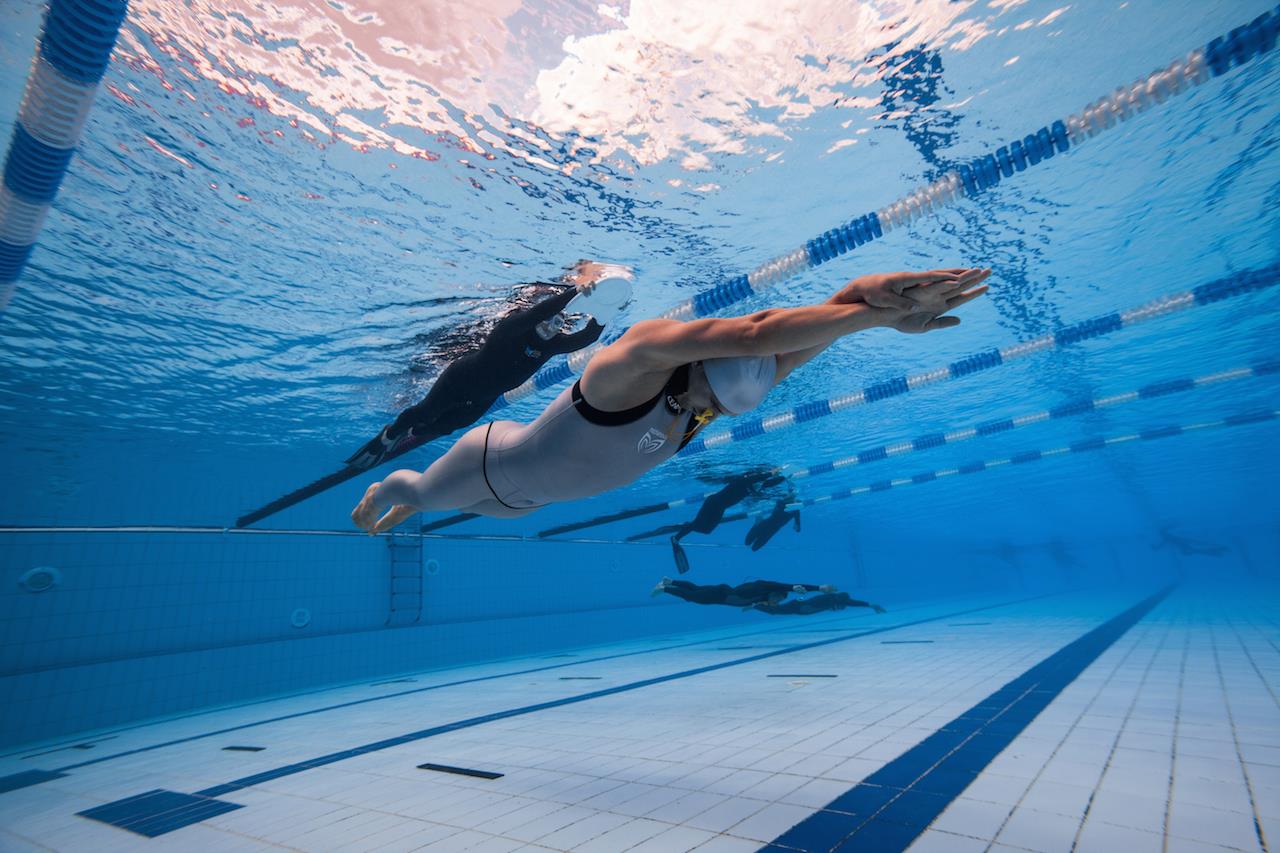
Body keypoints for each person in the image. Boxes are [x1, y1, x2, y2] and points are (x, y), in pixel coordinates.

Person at [351, 267, 991, 533]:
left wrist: (876, 309)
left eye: (718, 407)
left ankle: (425, 498)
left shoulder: (709, 398)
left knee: (501, 513)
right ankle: (385, 493)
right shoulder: (629, 368)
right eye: (710, 396)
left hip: (531, 494)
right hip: (488, 461)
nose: (709, 412)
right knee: (419, 493)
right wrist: (874, 305)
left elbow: (813, 328)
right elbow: (758, 333)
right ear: (696, 366)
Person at [346, 261, 632, 469]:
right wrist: (575, 293)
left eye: (558, 325)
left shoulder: (551, 345)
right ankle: (390, 435)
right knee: (426, 412)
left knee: (450, 425)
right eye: (549, 321)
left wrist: (605, 313)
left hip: (484, 397)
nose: (552, 327)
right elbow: (541, 311)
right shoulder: (512, 328)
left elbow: (587, 338)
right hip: (460, 381)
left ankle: (416, 433)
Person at [670, 468, 784, 573]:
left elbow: (767, 483)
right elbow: (758, 478)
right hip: (713, 503)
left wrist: (784, 477)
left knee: (706, 530)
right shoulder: (741, 481)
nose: (759, 486)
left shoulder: (752, 486)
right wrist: (772, 472)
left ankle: (687, 525)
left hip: (720, 508)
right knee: (697, 524)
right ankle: (676, 538)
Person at [651, 577, 835, 607]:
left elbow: (768, 601)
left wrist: (816, 590)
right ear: (775, 594)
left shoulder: (762, 597)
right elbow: (777, 584)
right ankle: (664, 588)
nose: (776, 602)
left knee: (695, 589)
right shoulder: (762, 587)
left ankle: (670, 581)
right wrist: (818, 587)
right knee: (691, 596)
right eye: (777, 599)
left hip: (721, 592)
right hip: (720, 595)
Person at [755, 591, 886, 616]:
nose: (845, 605)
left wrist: (871, 605)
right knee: (775, 611)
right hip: (799, 606)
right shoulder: (828, 599)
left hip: (800, 606)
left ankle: (759, 604)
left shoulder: (834, 599)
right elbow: (811, 602)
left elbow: (854, 603)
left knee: (776, 610)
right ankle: (756, 604)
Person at [1152, 525, 1229, 557]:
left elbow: (1161, 544)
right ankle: (1217, 550)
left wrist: (1156, 547)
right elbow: (1162, 542)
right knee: (1199, 548)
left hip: (1184, 544)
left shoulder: (1167, 537)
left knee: (1198, 550)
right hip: (1185, 542)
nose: (1161, 535)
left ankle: (1217, 551)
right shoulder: (1167, 536)